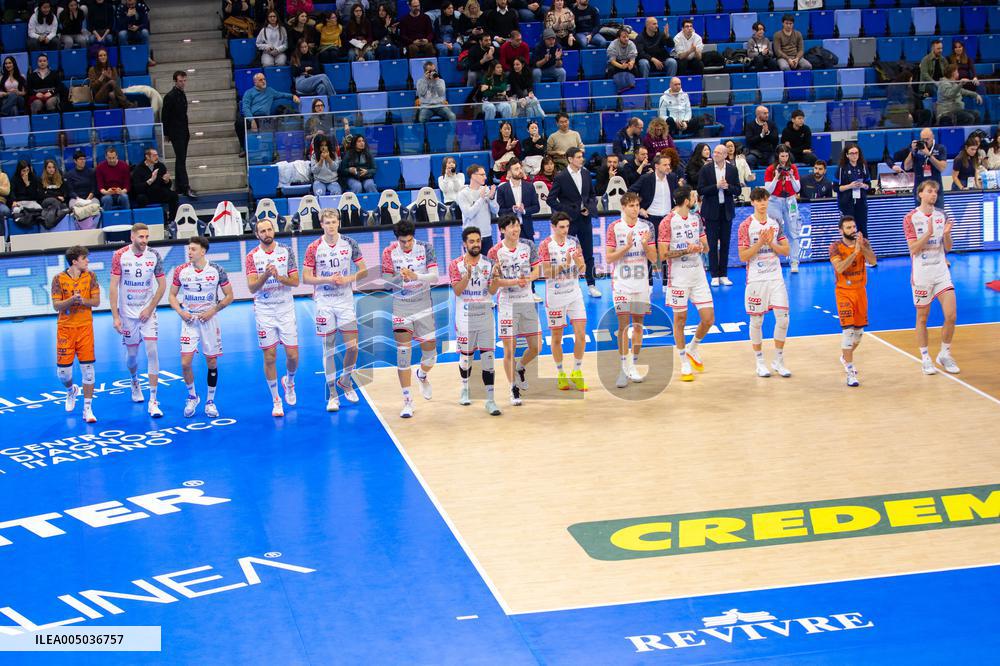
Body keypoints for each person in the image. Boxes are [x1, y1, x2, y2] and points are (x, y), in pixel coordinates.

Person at [303, 209, 368, 411]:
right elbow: (306, 278)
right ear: (321, 224)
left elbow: (364, 271)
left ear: (339, 223)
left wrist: (347, 279)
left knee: (353, 347)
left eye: (334, 221)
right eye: (327, 222)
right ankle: (332, 394)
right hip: (324, 302)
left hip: (345, 302)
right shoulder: (314, 247)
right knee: (329, 348)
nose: (331, 225)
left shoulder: (350, 244)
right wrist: (327, 279)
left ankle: (345, 381)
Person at [169, 236, 234, 418]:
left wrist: (213, 310)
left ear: (203, 251)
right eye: (189, 249)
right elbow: (172, 296)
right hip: (189, 322)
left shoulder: (216, 270)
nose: (189, 252)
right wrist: (181, 312)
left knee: (211, 362)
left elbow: (229, 296)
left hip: (209, 321)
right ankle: (192, 396)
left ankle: (210, 401)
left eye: (193, 249)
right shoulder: (181, 270)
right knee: (185, 363)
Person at [381, 220, 439, 418]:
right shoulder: (389, 252)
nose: (406, 245)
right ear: (397, 239)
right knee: (403, 353)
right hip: (401, 304)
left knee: (431, 355)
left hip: (423, 303)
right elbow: (386, 281)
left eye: (409, 241)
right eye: (402, 241)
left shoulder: (426, 248)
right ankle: (407, 401)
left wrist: (416, 276)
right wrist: (399, 278)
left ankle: (422, 374)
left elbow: (435, 277)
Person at [109, 223, 167, 417]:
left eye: (147, 237)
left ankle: (153, 400)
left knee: (152, 351)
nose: (144, 241)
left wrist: (150, 308)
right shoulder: (119, 255)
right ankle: (134, 381)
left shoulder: (154, 255)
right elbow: (113, 287)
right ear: (132, 236)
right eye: (141, 237)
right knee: (132, 356)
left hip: (147, 313)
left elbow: (162, 284)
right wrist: (116, 316)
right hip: (127, 314)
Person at [658, 185, 714, 382]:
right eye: (693, 197)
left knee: (708, 319)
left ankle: (692, 348)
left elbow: (706, 248)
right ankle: (683, 362)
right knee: (680, 320)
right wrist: (685, 251)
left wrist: (698, 247)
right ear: (686, 200)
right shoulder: (667, 222)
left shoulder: (696, 219)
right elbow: (663, 254)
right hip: (678, 278)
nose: (696, 199)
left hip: (698, 276)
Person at [245, 219, 300, 417]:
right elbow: (251, 287)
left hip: (285, 308)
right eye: (262, 231)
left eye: (269, 229)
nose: (267, 233)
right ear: (257, 234)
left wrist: (278, 277)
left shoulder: (286, 251)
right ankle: (276, 400)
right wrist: (265, 276)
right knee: (270, 356)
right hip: (264, 310)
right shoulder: (252, 256)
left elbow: (295, 281)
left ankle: (290, 382)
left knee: (293, 356)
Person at [904, 181, 959, 375]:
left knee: (951, 315)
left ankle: (944, 353)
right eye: (929, 191)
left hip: (941, 271)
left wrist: (946, 235)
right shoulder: (911, 218)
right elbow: (913, 249)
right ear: (920, 194)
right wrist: (928, 233)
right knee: (922, 318)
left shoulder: (941, 215)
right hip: (922, 273)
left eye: (935, 191)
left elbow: (949, 247)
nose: (933, 194)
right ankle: (925, 357)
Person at [605, 192, 658, 388]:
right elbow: (609, 258)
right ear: (623, 207)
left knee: (638, 326)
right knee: (623, 327)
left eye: (637, 205)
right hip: (621, 284)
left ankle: (633, 366)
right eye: (632, 206)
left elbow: (654, 258)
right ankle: (622, 368)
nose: (635, 209)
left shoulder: (647, 227)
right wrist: (627, 246)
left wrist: (645, 244)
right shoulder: (614, 228)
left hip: (641, 283)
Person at [488, 215, 541, 406]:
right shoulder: (495, 252)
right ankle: (513, 389)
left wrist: (529, 279)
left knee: (536, 347)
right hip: (507, 304)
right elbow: (492, 285)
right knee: (509, 349)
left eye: (517, 225)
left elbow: (537, 270)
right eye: (511, 226)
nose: (515, 229)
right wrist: (511, 281)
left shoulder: (528, 246)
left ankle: (520, 367)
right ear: (502, 230)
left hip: (527, 301)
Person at [738, 187, 791, 378]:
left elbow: (786, 251)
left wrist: (771, 244)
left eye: (764, 200)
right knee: (757, 320)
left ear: (768, 201)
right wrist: (760, 243)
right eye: (758, 200)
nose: (762, 203)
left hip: (775, 277)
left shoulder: (775, 223)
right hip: (756, 279)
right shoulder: (746, 225)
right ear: (752, 202)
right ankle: (759, 361)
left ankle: (778, 359)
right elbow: (743, 256)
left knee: (783, 319)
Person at [449, 227, 502, 414]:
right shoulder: (455, 264)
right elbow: (457, 291)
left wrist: (496, 278)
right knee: (467, 357)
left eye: (478, 240)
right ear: (464, 243)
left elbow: (493, 291)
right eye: (471, 241)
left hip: (486, 315)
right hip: (464, 317)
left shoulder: (489, 263)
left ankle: (490, 400)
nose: (476, 244)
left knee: (488, 358)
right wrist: (468, 276)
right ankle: (465, 388)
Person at [538, 211, 589, 391]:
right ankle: (561, 373)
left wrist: (577, 261)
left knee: (581, 335)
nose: (565, 230)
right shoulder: (545, 245)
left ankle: (576, 371)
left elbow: (582, 269)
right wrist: (565, 265)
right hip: (555, 297)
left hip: (574, 294)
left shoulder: (573, 242)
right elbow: (545, 272)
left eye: (567, 226)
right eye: (561, 227)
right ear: (553, 227)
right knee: (557, 338)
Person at [53, 246, 100, 423]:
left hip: (85, 328)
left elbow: (96, 302)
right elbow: (56, 306)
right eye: (84, 258)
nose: (87, 261)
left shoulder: (91, 277)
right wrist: (71, 300)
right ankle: (71, 390)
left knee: (88, 371)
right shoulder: (58, 279)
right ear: (74, 261)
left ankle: (87, 409)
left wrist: (83, 300)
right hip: (65, 329)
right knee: (63, 374)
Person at [829, 215, 876, 387]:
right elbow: (839, 268)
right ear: (841, 230)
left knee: (858, 335)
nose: (852, 230)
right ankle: (850, 371)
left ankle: (844, 356)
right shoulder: (835, 247)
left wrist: (862, 248)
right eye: (848, 228)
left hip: (860, 292)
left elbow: (873, 261)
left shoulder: (862, 243)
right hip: (844, 292)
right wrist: (855, 253)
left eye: (853, 227)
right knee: (848, 332)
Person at [549, 147, 601, 297]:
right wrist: (565, 212)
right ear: (570, 159)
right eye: (578, 157)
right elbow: (551, 199)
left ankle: (591, 284)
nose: (581, 159)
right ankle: (569, 284)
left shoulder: (585, 173)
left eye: (581, 156)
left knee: (588, 253)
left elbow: (592, 195)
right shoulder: (561, 177)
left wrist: (588, 207)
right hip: (569, 222)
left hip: (585, 220)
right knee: (567, 254)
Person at [698, 144, 741, 286]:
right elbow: (701, 189)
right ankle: (714, 275)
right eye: (714, 152)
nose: (714, 154)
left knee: (725, 243)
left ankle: (724, 274)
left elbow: (738, 190)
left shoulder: (732, 169)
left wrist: (728, 187)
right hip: (711, 211)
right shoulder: (706, 169)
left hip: (726, 211)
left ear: (725, 155)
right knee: (711, 243)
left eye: (718, 152)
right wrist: (716, 186)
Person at [764, 145, 802, 272]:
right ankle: (773, 261)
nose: (784, 159)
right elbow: (768, 190)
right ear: (777, 156)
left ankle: (794, 261)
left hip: (790, 200)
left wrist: (791, 176)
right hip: (775, 201)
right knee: (774, 231)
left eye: (786, 156)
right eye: (782, 156)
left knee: (793, 231)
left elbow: (797, 189)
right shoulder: (770, 169)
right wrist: (776, 177)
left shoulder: (793, 168)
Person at [162, 71, 197, 200]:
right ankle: (185, 186)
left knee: (180, 159)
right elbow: (165, 116)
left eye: (184, 81)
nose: (183, 83)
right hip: (176, 132)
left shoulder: (182, 94)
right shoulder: (170, 96)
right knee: (181, 159)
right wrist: (166, 133)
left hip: (183, 131)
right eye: (181, 81)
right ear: (175, 81)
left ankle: (178, 186)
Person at [457, 164, 499, 255]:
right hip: (471, 236)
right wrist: (481, 198)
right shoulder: (463, 194)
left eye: (485, 174)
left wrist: (491, 198)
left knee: (489, 265)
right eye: (482, 175)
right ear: (473, 176)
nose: (485, 177)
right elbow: (469, 213)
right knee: (473, 265)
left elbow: (495, 210)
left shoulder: (486, 190)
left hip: (487, 235)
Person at [497, 159, 540, 245]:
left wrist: (524, 210)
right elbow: (499, 211)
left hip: (526, 229)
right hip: (509, 230)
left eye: (520, 168)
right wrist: (512, 210)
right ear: (509, 172)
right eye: (516, 169)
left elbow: (536, 207)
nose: (520, 171)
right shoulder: (502, 189)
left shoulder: (529, 186)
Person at [132, 148, 180, 221]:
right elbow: (137, 188)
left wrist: (167, 181)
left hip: (159, 193)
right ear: (147, 157)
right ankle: (144, 220)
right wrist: (150, 181)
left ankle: (172, 220)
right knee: (140, 198)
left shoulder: (161, 166)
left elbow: (168, 186)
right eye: (154, 155)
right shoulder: (138, 169)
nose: (157, 157)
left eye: (157, 155)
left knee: (173, 195)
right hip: (146, 194)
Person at [835, 144, 871, 241]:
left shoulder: (863, 166)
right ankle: (850, 252)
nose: (854, 155)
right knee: (849, 229)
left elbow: (869, 185)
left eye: (856, 153)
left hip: (861, 202)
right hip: (846, 202)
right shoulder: (842, 168)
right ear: (847, 155)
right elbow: (836, 188)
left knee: (863, 227)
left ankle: (864, 252)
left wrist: (863, 185)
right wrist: (850, 186)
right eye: (851, 153)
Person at [904, 128, 947, 207]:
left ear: (933, 137)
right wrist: (912, 152)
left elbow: (942, 168)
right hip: (920, 189)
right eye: (923, 139)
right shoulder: (916, 149)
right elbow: (906, 167)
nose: (925, 141)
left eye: (927, 139)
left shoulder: (940, 148)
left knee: (938, 215)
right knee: (920, 217)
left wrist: (929, 155)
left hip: (936, 190)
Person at [629, 152, 677, 224]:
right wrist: (639, 209)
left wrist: (678, 206)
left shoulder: (672, 177)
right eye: (665, 165)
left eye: (669, 165)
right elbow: (629, 193)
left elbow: (679, 194)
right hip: (650, 218)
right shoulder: (646, 179)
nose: (668, 167)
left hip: (668, 217)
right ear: (656, 166)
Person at [39, 159, 69, 230]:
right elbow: (42, 195)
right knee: (53, 201)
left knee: (55, 204)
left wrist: (49, 193)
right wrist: (56, 196)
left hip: (57, 202)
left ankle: (49, 222)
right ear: (45, 169)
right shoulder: (41, 180)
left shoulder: (60, 178)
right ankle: (51, 223)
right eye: (49, 167)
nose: (51, 169)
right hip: (46, 201)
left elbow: (64, 192)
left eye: (53, 167)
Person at [606, 28, 638, 92]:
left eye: (627, 37)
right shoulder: (613, 45)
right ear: (618, 38)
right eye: (624, 37)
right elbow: (612, 61)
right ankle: (612, 90)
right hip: (616, 63)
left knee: (635, 69)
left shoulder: (631, 44)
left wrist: (631, 64)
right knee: (610, 69)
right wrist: (621, 66)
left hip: (627, 62)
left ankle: (635, 88)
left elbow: (632, 59)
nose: (626, 39)